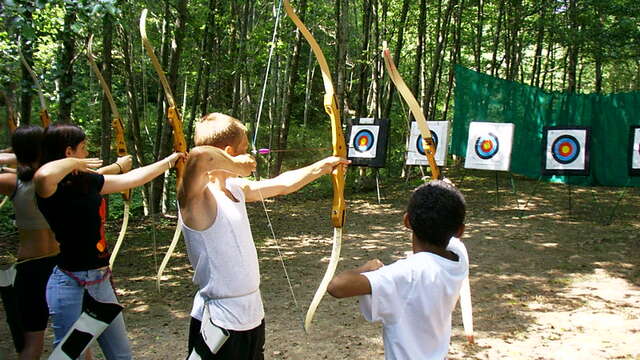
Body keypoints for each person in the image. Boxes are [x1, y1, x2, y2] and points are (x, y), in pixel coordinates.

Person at [178, 112, 349, 359]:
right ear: (228, 151)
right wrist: (237, 165)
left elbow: (283, 184)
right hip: (218, 320)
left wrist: (322, 167)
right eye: (245, 149)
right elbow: (199, 156)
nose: (251, 155)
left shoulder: (236, 190)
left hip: (251, 314)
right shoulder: (197, 200)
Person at [33, 123, 183, 359]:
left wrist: (170, 161)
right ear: (69, 152)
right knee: (68, 355)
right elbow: (43, 174)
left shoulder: (87, 182)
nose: (86, 154)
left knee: (121, 355)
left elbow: (133, 178)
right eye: (82, 149)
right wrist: (75, 162)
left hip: (100, 281)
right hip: (69, 283)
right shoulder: (48, 189)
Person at [0, 125, 131, 360]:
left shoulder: (15, 181)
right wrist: (119, 166)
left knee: (49, 343)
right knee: (72, 343)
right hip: (56, 268)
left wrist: (13, 155)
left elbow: (95, 175)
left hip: (44, 266)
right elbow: (96, 174)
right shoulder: (53, 181)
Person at [327, 180, 469, 360]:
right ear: (460, 231)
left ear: (406, 220)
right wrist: (446, 192)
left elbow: (337, 286)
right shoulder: (459, 257)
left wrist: (365, 268)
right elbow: (452, 231)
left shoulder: (407, 274)